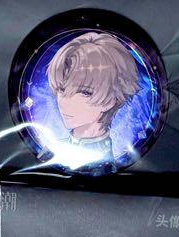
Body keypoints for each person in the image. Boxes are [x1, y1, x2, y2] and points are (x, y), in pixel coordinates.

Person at [47, 32, 141, 169]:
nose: (64, 103)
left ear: (112, 100)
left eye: (85, 92)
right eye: (62, 89)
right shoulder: (52, 150)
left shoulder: (107, 164)